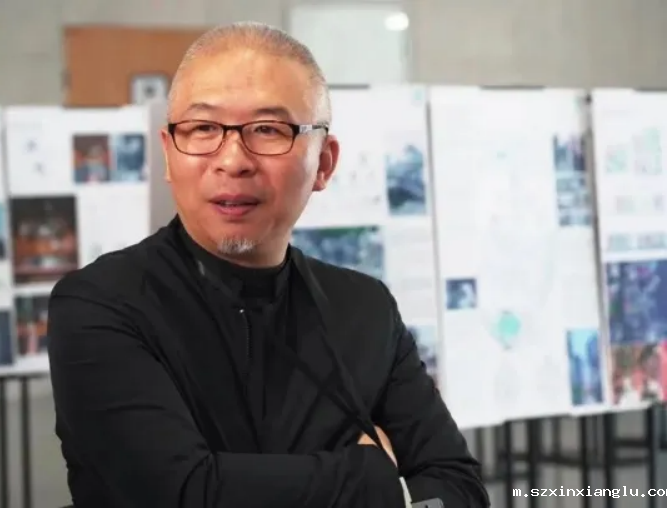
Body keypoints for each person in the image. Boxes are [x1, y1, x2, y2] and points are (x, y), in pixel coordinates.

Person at [48, 21, 489, 508]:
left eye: (267, 130)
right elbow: (182, 493)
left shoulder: (364, 308)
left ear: (324, 163)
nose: (232, 160)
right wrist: (374, 480)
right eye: (203, 128)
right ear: (169, 155)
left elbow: (460, 490)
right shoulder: (102, 305)